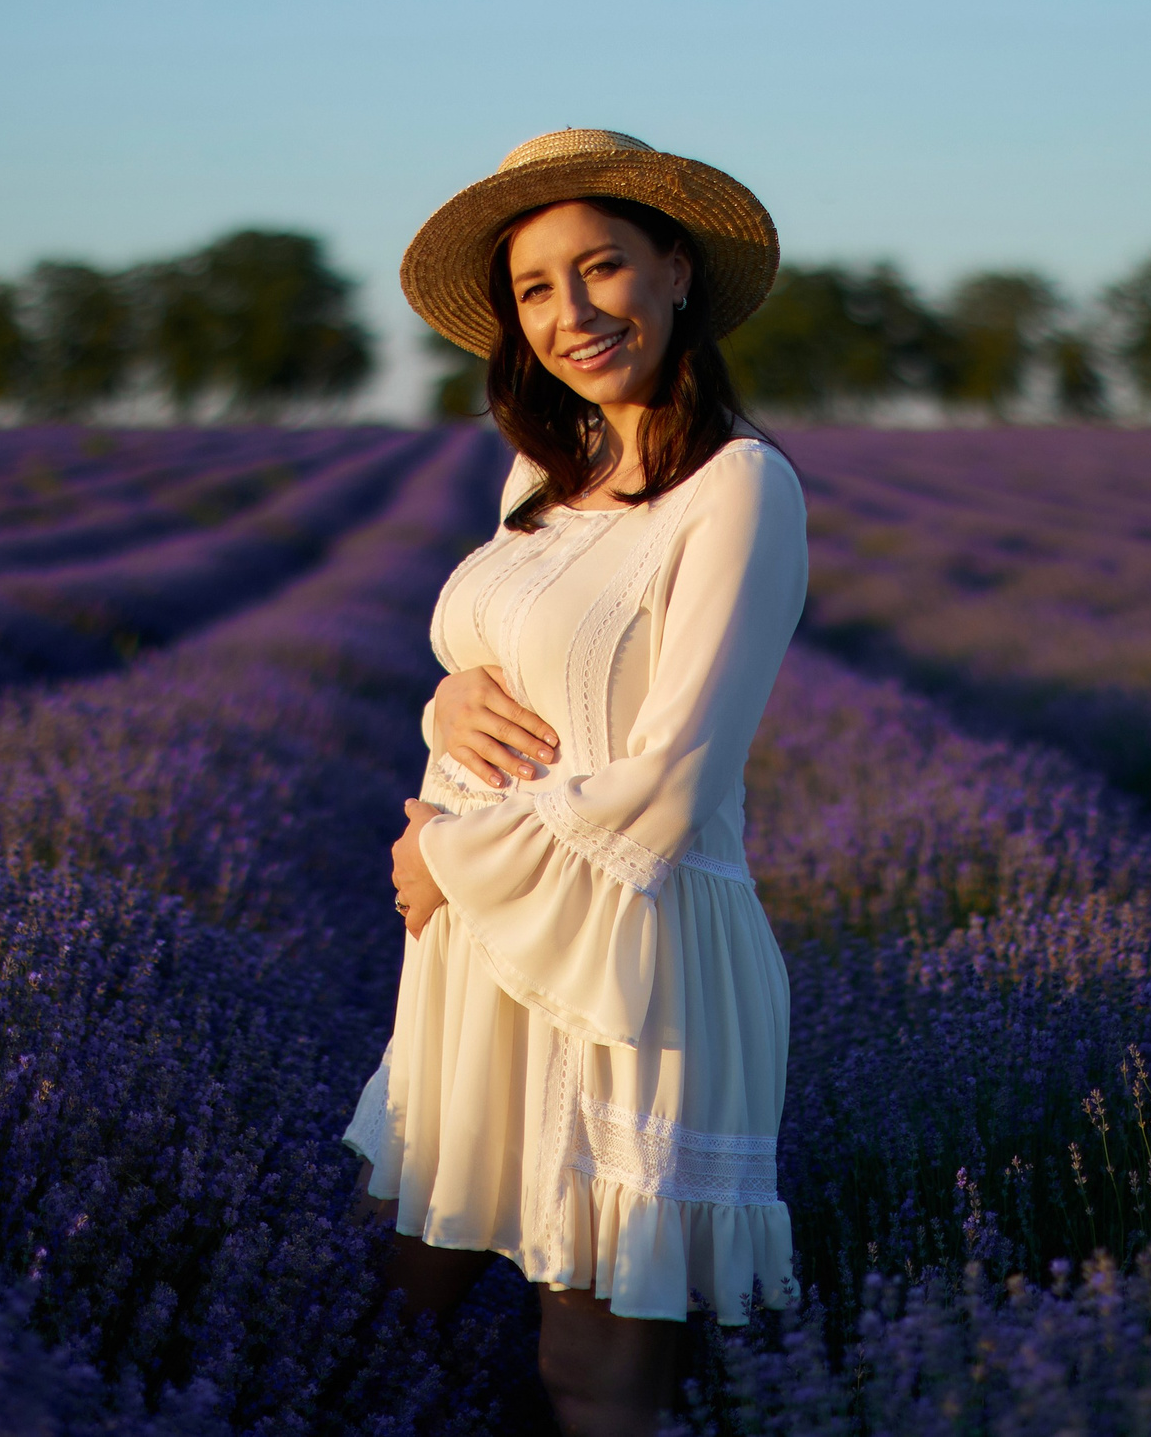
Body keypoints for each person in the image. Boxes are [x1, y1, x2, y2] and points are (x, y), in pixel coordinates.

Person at [341, 129, 806, 1435]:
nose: (571, 312)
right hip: (483, 943)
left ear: (674, 272)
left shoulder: (738, 488)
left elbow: (670, 779)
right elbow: (514, 668)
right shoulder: (539, 478)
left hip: (631, 955)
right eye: (536, 288)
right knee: (400, 1285)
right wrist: (441, 700)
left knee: (593, 1370)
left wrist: (444, 855)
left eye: (601, 267)